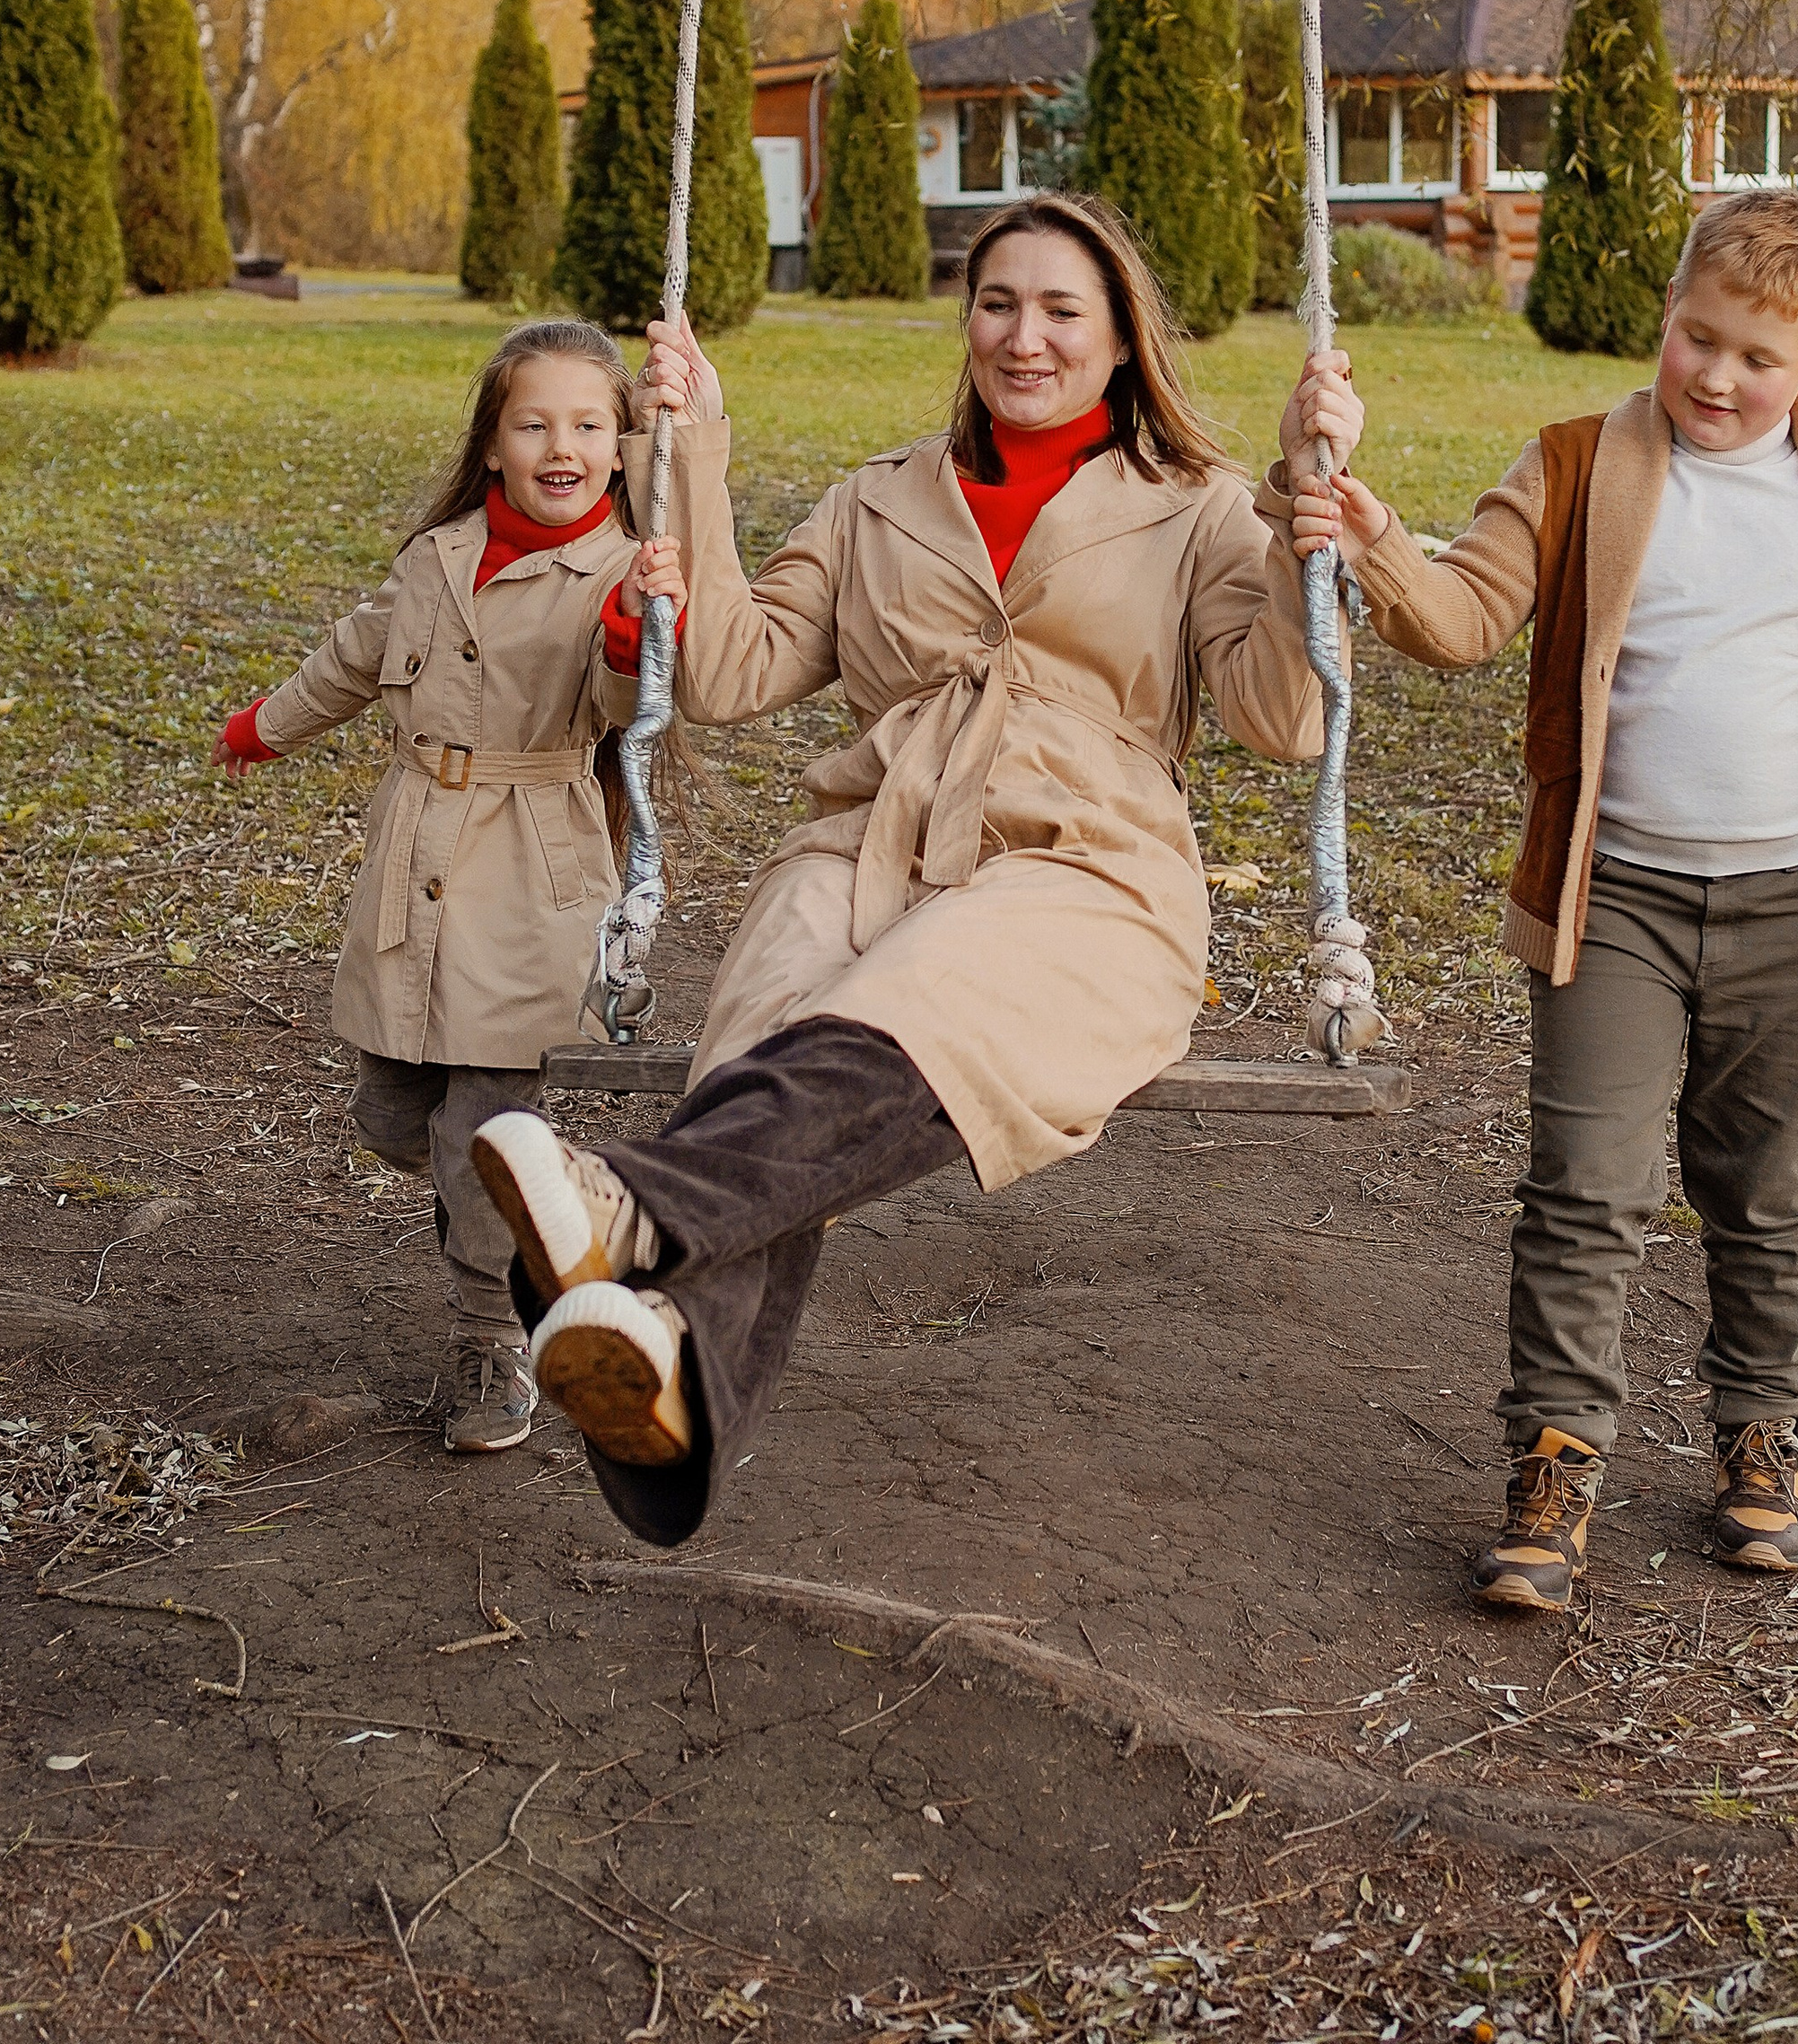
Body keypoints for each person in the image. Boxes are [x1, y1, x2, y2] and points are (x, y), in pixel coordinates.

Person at [469, 191, 1360, 1546]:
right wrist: (689, 450)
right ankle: (671, 1394)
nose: (1027, 337)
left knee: (918, 1005)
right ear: (967, 321)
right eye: (999, 304)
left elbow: (1283, 720)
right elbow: (727, 670)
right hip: (872, 837)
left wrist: (1308, 522)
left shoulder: (1197, 512)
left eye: (1064, 310)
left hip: (1088, 863)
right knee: (764, 1025)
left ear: (1121, 337)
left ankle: (636, 1209)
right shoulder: (879, 501)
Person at [1283, 188, 1798, 1615]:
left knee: (1765, 1193)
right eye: (1695, 338)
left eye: (1756, 358)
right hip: (1618, 901)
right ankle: (1556, 1460)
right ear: (1667, 315)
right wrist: (1372, 532)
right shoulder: (1582, 465)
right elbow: (1454, 623)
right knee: (1586, 1190)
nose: (1714, 376)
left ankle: (1762, 1440)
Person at [215, 317, 677, 1453]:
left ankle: (490, 1352)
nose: (559, 443)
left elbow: (633, 711)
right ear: (493, 445)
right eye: (534, 422)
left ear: (621, 449)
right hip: (417, 855)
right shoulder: (437, 559)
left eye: (587, 424)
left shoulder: (624, 571)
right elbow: (357, 653)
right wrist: (264, 728)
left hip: (535, 872)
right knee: (391, 1116)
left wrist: (631, 639)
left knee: (479, 1130)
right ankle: (549, 1193)